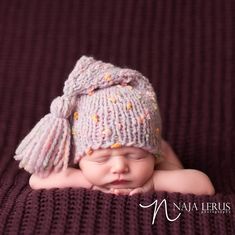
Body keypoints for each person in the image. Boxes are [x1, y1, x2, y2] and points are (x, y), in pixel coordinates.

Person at [14, 56, 215, 196]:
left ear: (152, 156)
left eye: (135, 156)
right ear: (79, 157)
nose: (120, 167)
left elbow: (204, 186)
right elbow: (37, 179)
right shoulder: (78, 161)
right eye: (101, 159)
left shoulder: (158, 158)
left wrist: (155, 181)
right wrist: (88, 181)